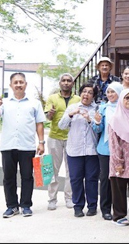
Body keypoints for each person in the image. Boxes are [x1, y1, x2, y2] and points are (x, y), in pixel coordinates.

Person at [0, 72, 46, 218]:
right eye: (15, 82)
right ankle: (11, 206)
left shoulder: (34, 103)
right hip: (8, 145)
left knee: (27, 176)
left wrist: (41, 142)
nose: (18, 85)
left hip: (27, 146)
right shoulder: (5, 102)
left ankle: (26, 205)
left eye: (21, 82)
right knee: (9, 177)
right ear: (11, 85)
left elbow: (39, 123)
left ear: (25, 84)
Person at [57, 83, 100, 218]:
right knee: (75, 179)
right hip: (74, 149)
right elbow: (61, 126)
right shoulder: (72, 107)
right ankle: (78, 206)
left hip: (91, 150)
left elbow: (99, 129)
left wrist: (89, 119)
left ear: (93, 96)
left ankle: (92, 206)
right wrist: (70, 114)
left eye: (90, 92)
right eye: (84, 91)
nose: (86, 94)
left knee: (91, 179)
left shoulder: (97, 109)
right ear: (80, 93)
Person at [44, 73, 80, 210]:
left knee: (71, 170)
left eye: (68, 81)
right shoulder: (52, 98)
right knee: (53, 169)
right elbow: (48, 117)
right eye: (63, 80)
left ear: (72, 83)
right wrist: (51, 114)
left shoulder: (77, 99)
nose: (66, 83)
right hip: (55, 137)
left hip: (72, 138)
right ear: (60, 83)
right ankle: (52, 199)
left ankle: (69, 198)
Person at [108, 87, 129, 226]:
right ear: (121, 99)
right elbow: (114, 143)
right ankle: (119, 215)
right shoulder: (115, 118)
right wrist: (118, 162)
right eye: (127, 98)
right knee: (119, 187)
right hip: (121, 159)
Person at [91, 85, 119, 221]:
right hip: (105, 148)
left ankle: (118, 208)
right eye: (108, 92)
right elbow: (98, 129)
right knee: (105, 179)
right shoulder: (103, 108)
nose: (110, 94)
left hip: (121, 149)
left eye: (113, 91)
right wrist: (96, 122)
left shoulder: (125, 107)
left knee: (119, 180)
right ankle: (105, 209)